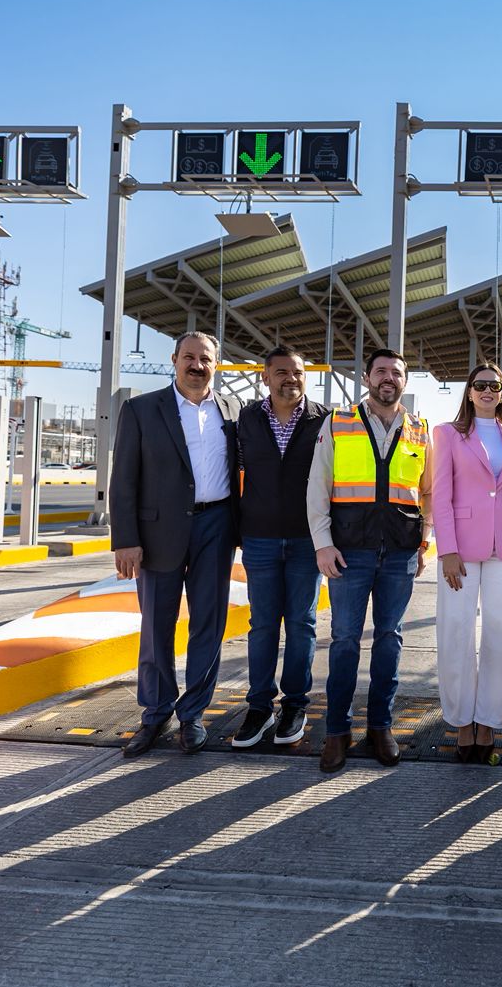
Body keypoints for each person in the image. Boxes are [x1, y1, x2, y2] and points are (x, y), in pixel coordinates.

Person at [111, 331, 242, 758]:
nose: (197, 365)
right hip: (157, 534)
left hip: (216, 526)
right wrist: (126, 540)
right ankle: (154, 713)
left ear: (216, 365)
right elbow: (124, 479)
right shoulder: (141, 409)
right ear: (174, 359)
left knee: (209, 623)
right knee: (156, 627)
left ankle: (193, 716)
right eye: (189, 357)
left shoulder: (233, 410)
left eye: (206, 359)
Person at [307, 348, 432, 773]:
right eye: (381, 371)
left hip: (399, 553)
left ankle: (380, 725)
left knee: (390, 638)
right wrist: (323, 544)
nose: (388, 378)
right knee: (343, 641)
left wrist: (424, 541)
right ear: (366, 377)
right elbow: (317, 486)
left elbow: (427, 493)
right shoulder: (338, 423)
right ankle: (336, 731)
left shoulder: (420, 430)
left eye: (396, 373)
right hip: (349, 552)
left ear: (404, 382)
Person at [233, 344, 330, 750]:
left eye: (297, 372)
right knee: (263, 625)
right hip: (259, 538)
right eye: (282, 372)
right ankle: (259, 705)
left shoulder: (324, 420)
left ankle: (294, 704)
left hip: (307, 539)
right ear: (265, 376)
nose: (290, 379)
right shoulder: (247, 418)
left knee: (303, 624)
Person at [431, 363, 502, 764]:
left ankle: (487, 721)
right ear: (468, 392)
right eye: (479, 385)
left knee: (501, 634)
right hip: (460, 549)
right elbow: (440, 494)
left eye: (494, 386)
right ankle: (460, 721)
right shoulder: (447, 434)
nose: (487, 391)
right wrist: (446, 548)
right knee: (456, 633)